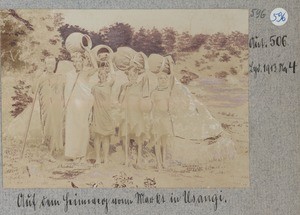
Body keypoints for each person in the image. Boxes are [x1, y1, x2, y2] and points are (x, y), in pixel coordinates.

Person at [113, 47, 150, 167]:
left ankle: (139, 159)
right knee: (125, 137)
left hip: (137, 115)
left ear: (137, 74)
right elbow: (119, 100)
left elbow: (147, 74)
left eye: (134, 74)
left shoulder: (140, 84)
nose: (132, 76)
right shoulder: (124, 86)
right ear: (127, 75)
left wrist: (142, 55)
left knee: (139, 137)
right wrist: (123, 93)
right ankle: (127, 159)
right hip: (126, 115)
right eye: (130, 74)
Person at [64, 51, 96, 162]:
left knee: (83, 128)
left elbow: (96, 67)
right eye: (76, 61)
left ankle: (82, 154)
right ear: (73, 62)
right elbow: (67, 90)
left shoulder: (86, 73)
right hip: (72, 106)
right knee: (72, 129)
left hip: (83, 105)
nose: (77, 63)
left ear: (82, 62)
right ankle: (73, 154)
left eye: (80, 61)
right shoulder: (69, 74)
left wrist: (89, 51)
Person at [91, 68, 115, 165]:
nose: (102, 75)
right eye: (100, 74)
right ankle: (97, 158)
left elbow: (114, 76)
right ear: (98, 75)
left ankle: (105, 158)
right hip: (97, 113)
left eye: (104, 74)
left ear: (107, 75)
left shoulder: (109, 85)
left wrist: (110, 61)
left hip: (107, 113)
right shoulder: (94, 87)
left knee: (106, 137)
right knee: (97, 136)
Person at [150, 71, 173, 169]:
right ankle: (158, 163)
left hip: (166, 118)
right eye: (160, 78)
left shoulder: (168, 91)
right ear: (157, 80)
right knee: (157, 141)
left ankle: (164, 162)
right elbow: (151, 107)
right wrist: (152, 118)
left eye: (164, 78)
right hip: (157, 118)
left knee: (165, 142)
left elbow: (170, 106)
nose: (162, 80)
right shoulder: (154, 92)